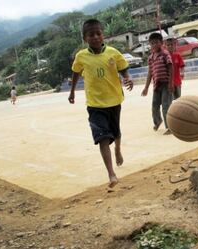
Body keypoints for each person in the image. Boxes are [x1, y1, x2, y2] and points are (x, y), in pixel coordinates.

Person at [68, 19, 133, 188]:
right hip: (95, 104)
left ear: (102, 34)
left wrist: (127, 77)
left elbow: (123, 67)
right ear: (85, 38)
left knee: (116, 132)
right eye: (91, 34)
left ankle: (118, 149)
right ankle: (111, 174)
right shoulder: (81, 56)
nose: (96, 37)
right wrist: (72, 91)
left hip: (114, 101)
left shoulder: (113, 52)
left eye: (98, 33)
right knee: (102, 137)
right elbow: (76, 73)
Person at [141, 32, 174, 135]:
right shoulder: (150, 58)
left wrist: (170, 83)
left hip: (166, 84)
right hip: (156, 85)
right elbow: (150, 73)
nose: (154, 45)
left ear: (161, 42)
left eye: (156, 42)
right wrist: (146, 87)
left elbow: (171, 68)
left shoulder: (165, 54)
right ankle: (157, 121)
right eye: (152, 43)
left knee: (165, 106)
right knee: (154, 106)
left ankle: (170, 127)